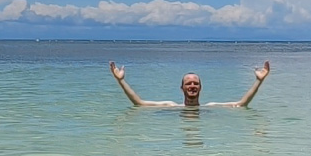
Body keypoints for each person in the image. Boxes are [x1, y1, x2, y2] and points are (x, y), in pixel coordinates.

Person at [109, 60, 270, 107]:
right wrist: (121, 81)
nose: (192, 85)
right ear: (182, 88)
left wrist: (258, 81)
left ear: (200, 87)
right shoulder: (171, 106)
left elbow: (241, 104)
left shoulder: (211, 107)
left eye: (195, 83)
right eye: (188, 83)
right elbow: (139, 103)